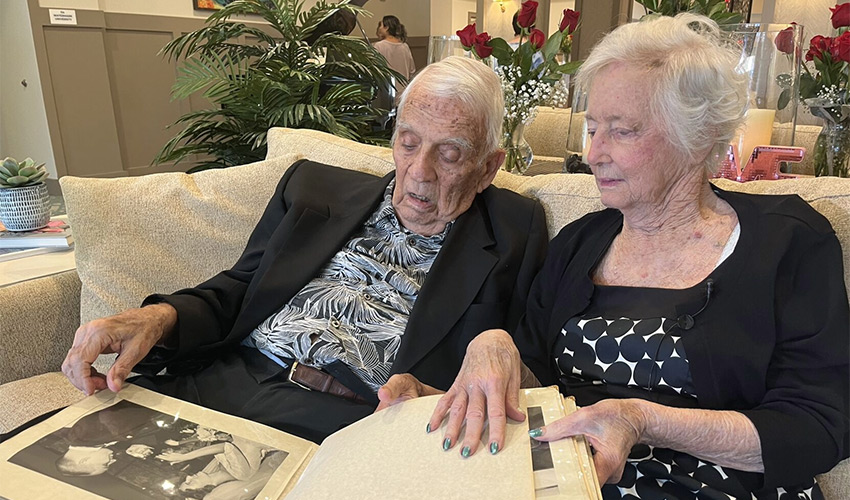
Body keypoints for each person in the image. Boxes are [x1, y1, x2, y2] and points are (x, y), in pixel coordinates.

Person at [378, 14, 849, 499]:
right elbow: (534, 392)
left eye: (621, 132)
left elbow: (819, 429)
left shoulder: (787, 241)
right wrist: (481, 362)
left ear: (698, 136)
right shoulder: (581, 243)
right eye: (593, 128)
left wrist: (642, 420)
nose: (594, 153)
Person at [60, 55, 549, 444]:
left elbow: (531, 363)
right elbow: (239, 289)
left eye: (449, 154)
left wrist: (487, 356)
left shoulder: (514, 229)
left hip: (353, 423)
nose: (419, 171)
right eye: (408, 142)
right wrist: (157, 318)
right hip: (226, 378)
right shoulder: (315, 189)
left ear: (487, 168)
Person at [373, 15, 416, 95]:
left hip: (385, 92)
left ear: (387, 27)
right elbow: (412, 70)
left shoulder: (379, 46)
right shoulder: (405, 46)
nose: (379, 28)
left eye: (381, 25)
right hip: (403, 92)